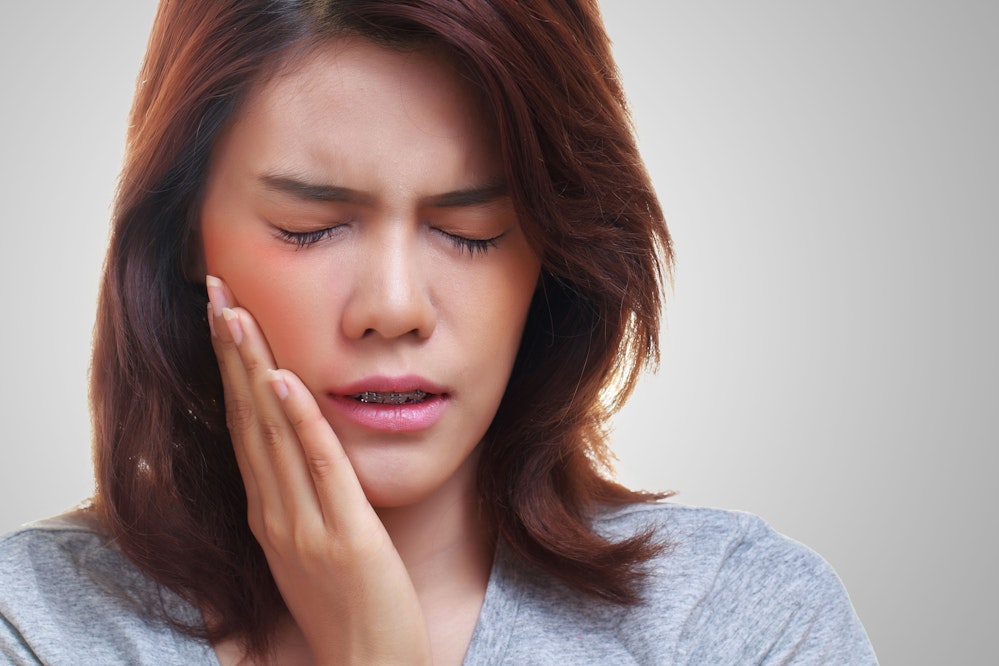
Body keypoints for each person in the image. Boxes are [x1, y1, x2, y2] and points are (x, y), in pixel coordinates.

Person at [0, 1, 877, 664]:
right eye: (310, 227)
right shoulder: (37, 625)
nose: (394, 305)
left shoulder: (735, 622)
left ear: (554, 249)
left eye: (473, 230)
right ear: (184, 235)